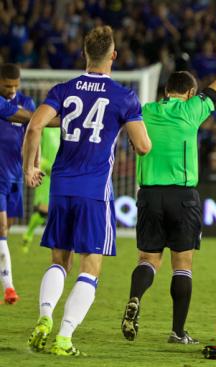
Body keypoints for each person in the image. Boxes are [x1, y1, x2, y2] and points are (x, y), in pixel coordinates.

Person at [23, 25, 151, 356]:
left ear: (84, 54)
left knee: (58, 261)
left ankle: (44, 318)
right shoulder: (124, 96)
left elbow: (35, 124)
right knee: (90, 267)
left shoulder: (64, 90)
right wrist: (124, 122)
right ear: (114, 55)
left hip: (61, 188)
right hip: (94, 191)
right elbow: (143, 146)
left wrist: (30, 167)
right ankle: (64, 338)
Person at [121, 23, 216, 345]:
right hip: (183, 197)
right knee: (182, 264)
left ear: (165, 91)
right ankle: (178, 332)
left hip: (149, 195)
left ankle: (135, 298)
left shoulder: (145, 111)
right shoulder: (194, 109)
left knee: (147, 260)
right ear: (190, 93)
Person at [0, 63, 36, 304]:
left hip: (15, 176)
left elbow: (34, 132)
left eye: (15, 85)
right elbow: (31, 119)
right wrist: (45, 117)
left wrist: (32, 165)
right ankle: (9, 287)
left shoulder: (28, 101)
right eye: (6, 86)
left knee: (7, 229)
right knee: (1, 229)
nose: (12, 90)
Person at [21, 126, 61, 253]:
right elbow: (33, 144)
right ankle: (28, 234)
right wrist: (41, 164)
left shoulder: (64, 128)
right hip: (45, 174)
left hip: (60, 173)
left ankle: (30, 234)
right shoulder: (45, 127)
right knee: (44, 209)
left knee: (53, 211)